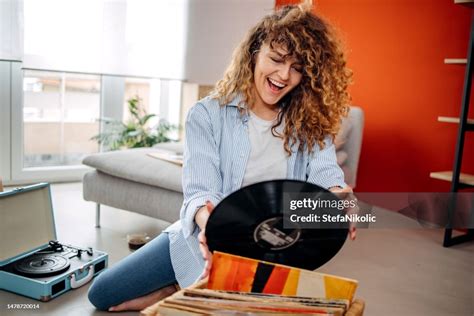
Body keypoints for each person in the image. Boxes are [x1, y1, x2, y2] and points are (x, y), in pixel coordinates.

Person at [88, 3, 354, 312]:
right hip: (204, 236)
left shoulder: (311, 125)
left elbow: (327, 178)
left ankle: (178, 289)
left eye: (297, 68)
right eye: (277, 59)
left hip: (271, 248)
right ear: (255, 51)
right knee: (103, 294)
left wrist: (338, 199)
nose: (284, 75)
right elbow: (200, 192)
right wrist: (210, 225)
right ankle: (184, 284)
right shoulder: (207, 114)